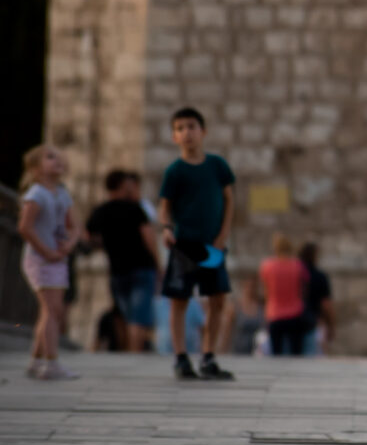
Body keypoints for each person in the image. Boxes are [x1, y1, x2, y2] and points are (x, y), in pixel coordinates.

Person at [157, 108, 238, 381]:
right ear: (174, 136)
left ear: (203, 131)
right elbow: (164, 207)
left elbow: (229, 200)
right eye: (180, 128)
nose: (186, 132)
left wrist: (223, 235)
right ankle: (181, 357)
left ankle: (208, 355)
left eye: (191, 126)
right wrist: (167, 229)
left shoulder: (217, 166)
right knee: (180, 300)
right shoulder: (175, 171)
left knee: (217, 299)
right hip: (184, 245)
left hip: (212, 244)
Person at [17, 145, 77, 380]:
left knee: (52, 310)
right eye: (50, 157)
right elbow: (25, 227)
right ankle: (51, 362)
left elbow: (74, 225)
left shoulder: (61, 193)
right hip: (40, 259)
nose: (58, 161)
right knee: (52, 309)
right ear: (35, 168)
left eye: (60, 157)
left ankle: (37, 360)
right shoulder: (36, 194)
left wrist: (68, 245)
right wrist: (46, 251)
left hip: (57, 258)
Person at [85, 169, 159, 353]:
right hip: (142, 268)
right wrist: (159, 264)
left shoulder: (100, 211)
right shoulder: (135, 208)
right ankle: (135, 354)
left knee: (124, 315)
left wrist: (106, 243)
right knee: (139, 317)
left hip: (117, 270)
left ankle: (126, 351)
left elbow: (88, 237)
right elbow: (148, 237)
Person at [258, 235, 312, 355]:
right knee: (296, 351)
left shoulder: (267, 266)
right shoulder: (298, 266)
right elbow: (305, 288)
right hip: (295, 312)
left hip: (274, 313)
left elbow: (265, 291)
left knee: (276, 352)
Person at [299, 242, 336, 353]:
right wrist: (331, 325)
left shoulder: (296, 275)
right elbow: (326, 304)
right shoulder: (320, 276)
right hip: (315, 323)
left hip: (294, 321)